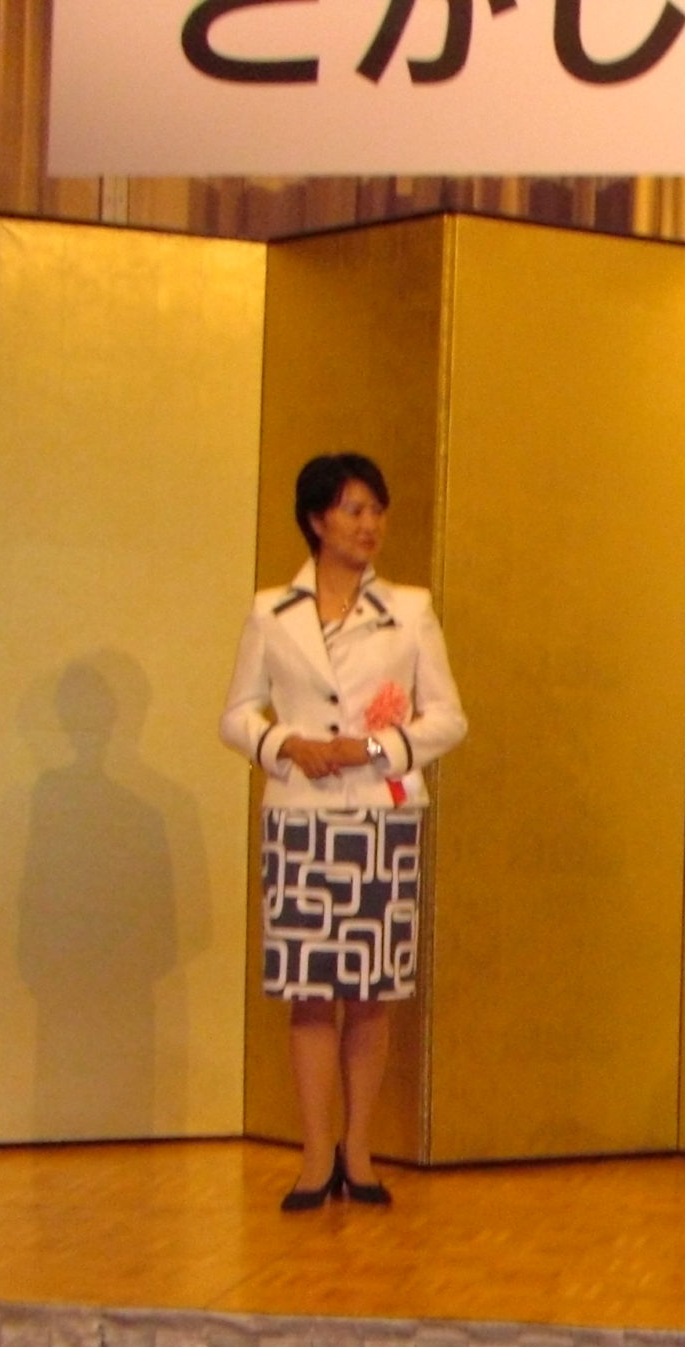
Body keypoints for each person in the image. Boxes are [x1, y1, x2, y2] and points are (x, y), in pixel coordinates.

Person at [221, 453, 467, 1211]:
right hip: (301, 817)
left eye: (377, 511)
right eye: (355, 510)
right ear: (317, 520)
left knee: (370, 992)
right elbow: (236, 715)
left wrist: (374, 748)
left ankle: (358, 1150)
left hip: (380, 815)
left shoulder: (409, 610)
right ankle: (313, 1153)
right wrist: (286, 745)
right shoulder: (271, 611)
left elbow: (448, 718)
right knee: (307, 993)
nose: (370, 525)